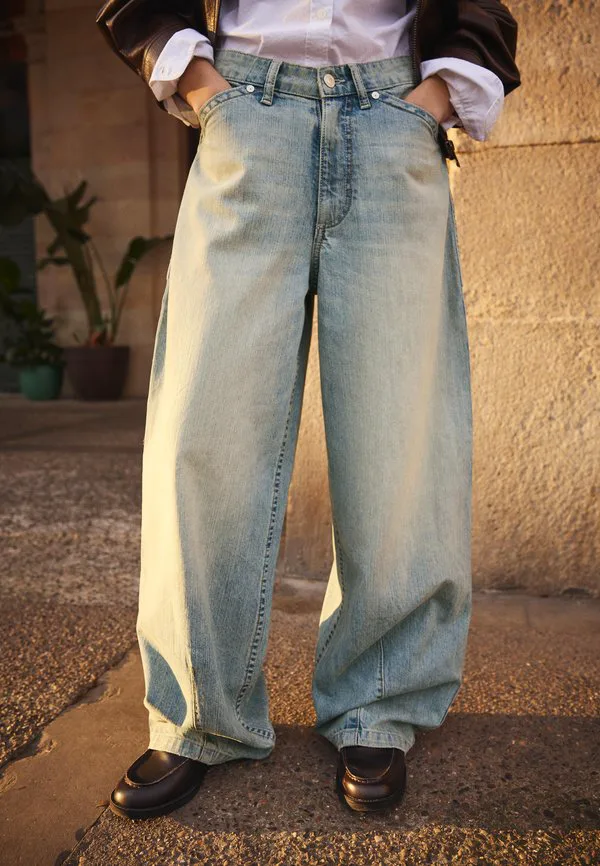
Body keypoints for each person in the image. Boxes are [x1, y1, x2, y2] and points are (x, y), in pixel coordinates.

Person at [96, 0, 521, 818]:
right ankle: (197, 715)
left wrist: (429, 101)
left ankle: (379, 698)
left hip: (394, 117)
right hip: (245, 116)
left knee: (399, 435)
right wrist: (205, 87)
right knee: (204, 430)